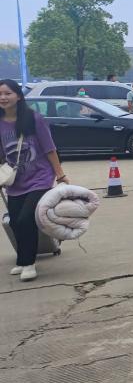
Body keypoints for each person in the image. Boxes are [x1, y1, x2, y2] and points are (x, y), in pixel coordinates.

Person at [0, 79, 70, 282]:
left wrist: (60, 174)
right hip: (15, 180)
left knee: (26, 218)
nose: (3, 98)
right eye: (0, 94)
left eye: (7, 93)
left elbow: (49, 148)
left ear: (18, 96)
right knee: (15, 221)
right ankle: (23, 260)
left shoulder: (33, 118)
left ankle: (29, 263)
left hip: (40, 177)